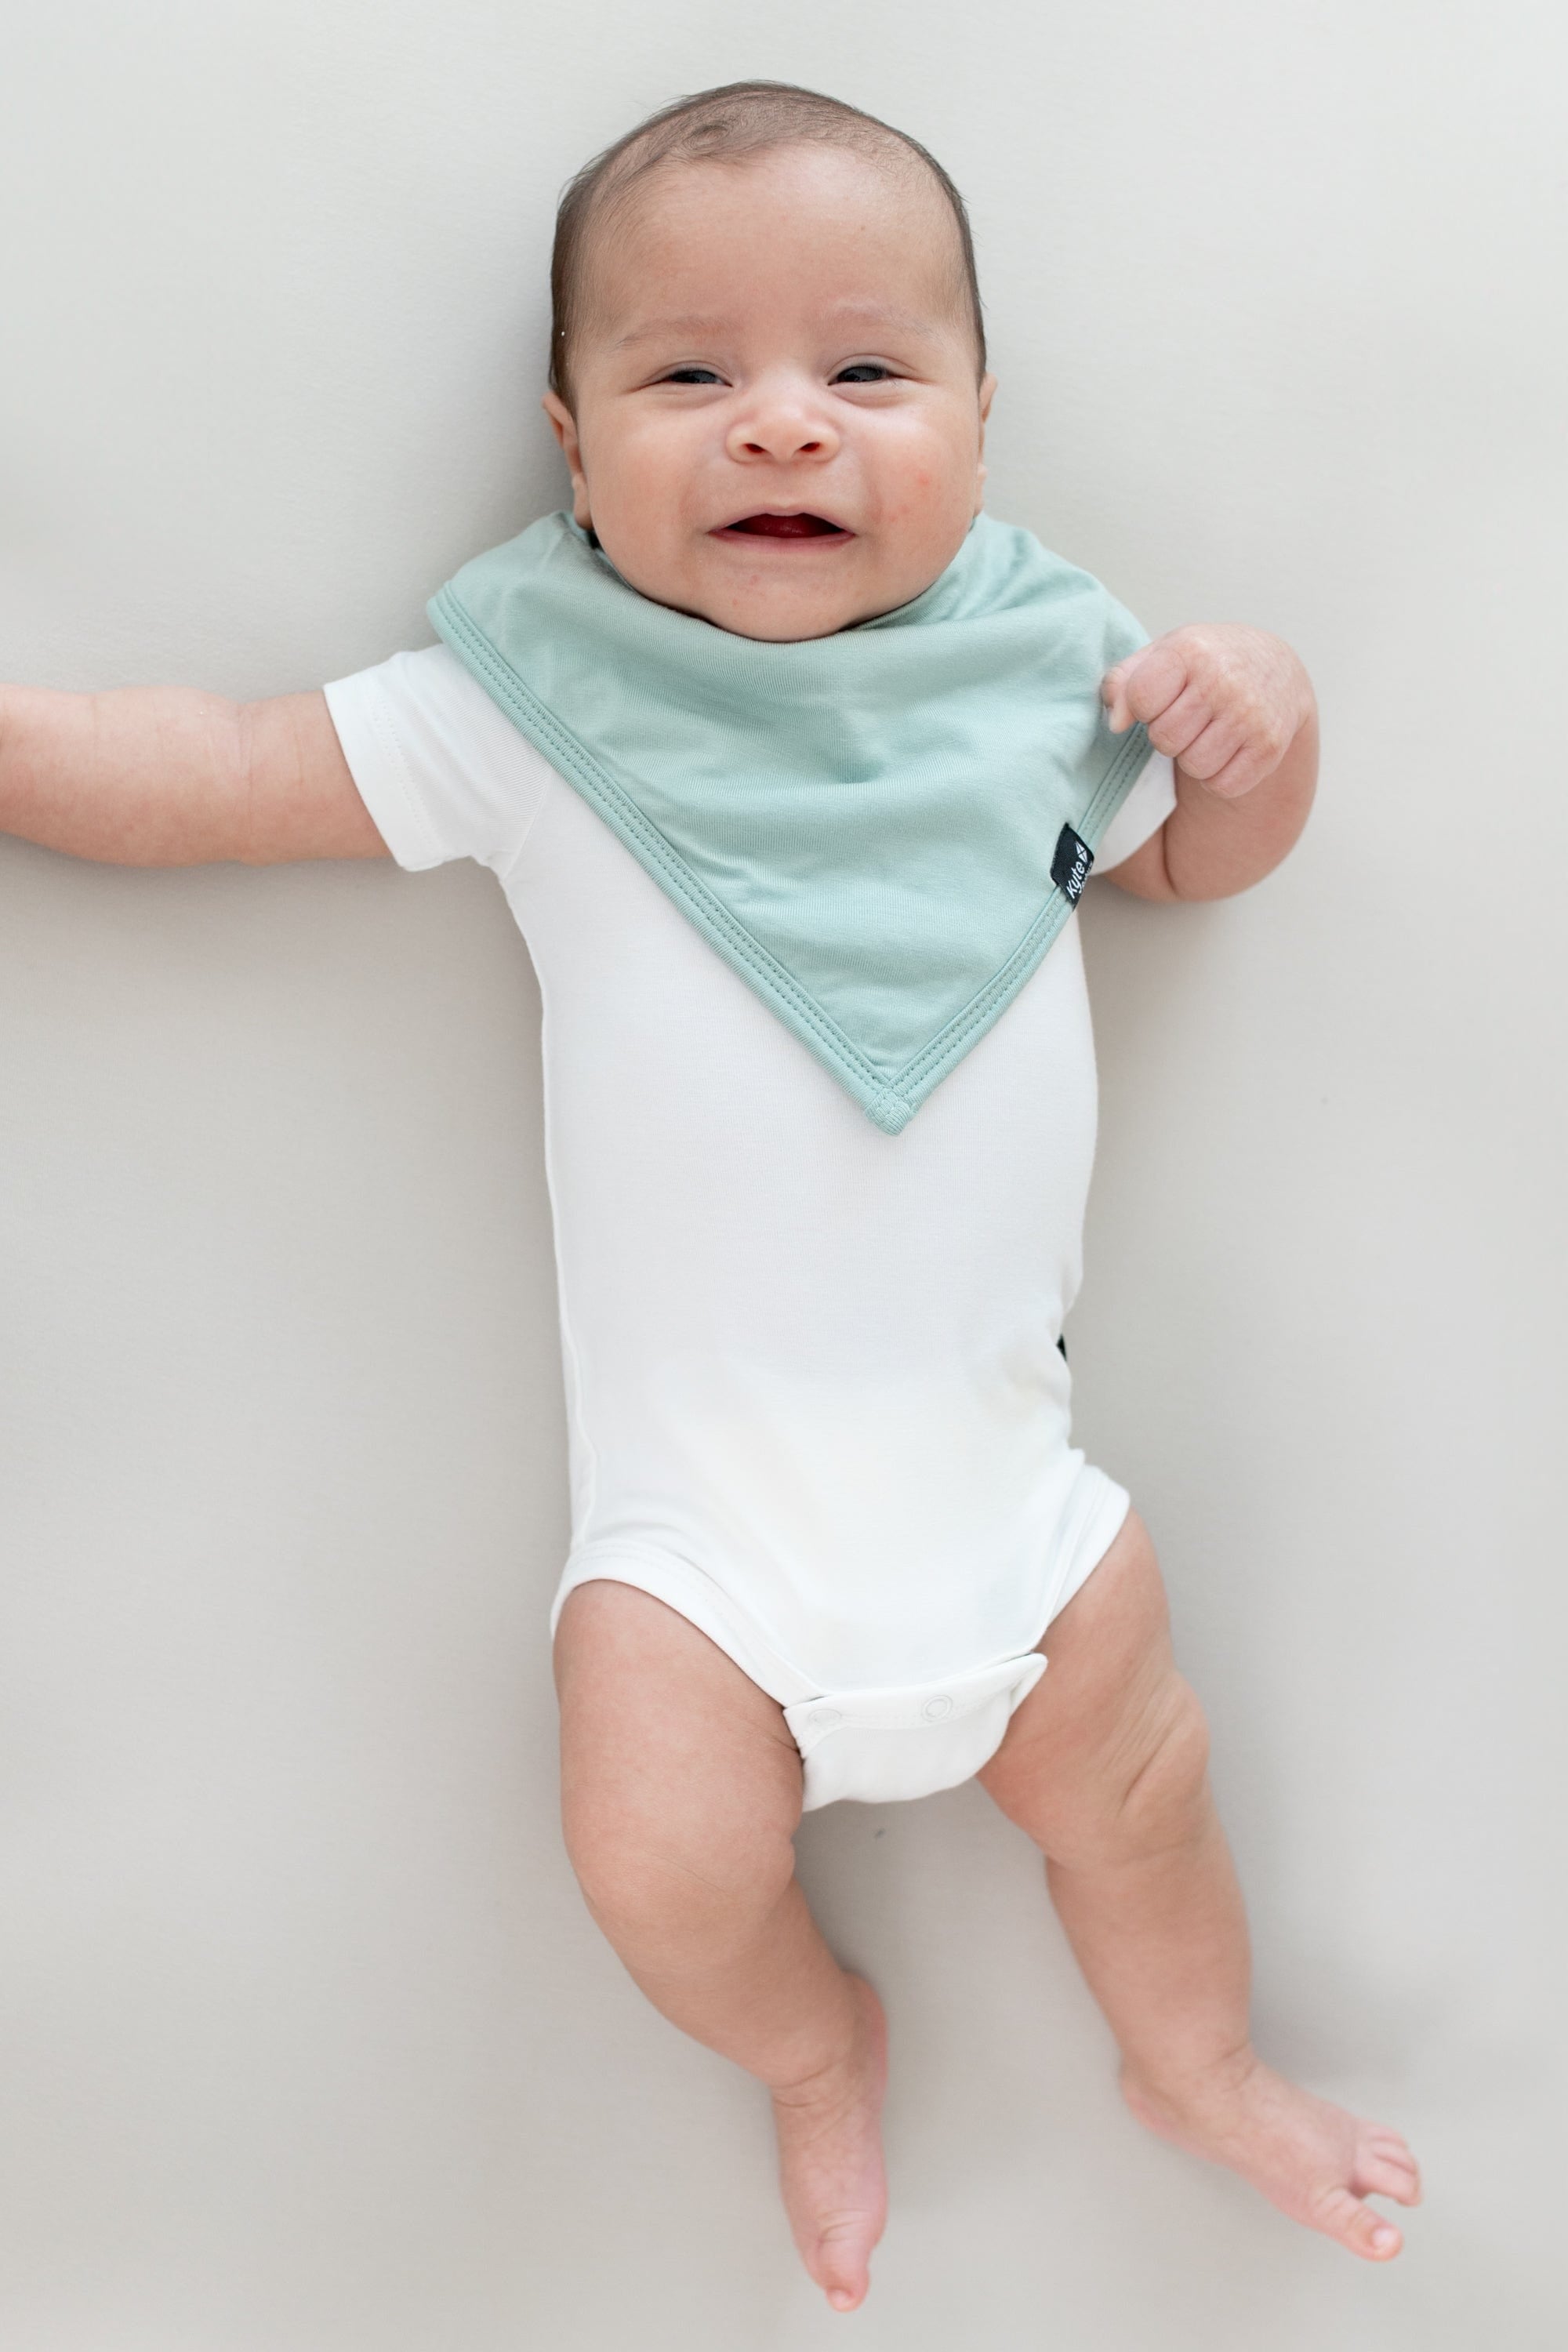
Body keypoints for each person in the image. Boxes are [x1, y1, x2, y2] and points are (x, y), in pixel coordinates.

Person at [0, 79, 1420, 2316]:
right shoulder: (538, 709)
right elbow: (232, 769)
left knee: (1147, 1796)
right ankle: (812, 2043)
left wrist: (1274, 722)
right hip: (701, 1562)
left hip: (1024, 1519)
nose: (780, 423)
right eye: (686, 376)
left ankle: (1200, 2064)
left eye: (865, 369)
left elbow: (1186, 868)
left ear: (981, 422)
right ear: (572, 452)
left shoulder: (1047, 685)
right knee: (658, 1867)